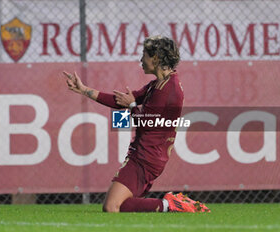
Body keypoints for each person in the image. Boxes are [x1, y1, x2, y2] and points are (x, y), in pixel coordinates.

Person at [63, 35, 210, 213]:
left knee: (111, 207)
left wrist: (132, 105)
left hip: (146, 157)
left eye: (144, 55)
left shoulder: (169, 90)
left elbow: (145, 124)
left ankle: (171, 204)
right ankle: (169, 204)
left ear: (156, 58)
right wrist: (83, 89)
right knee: (121, 205)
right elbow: (121, 101)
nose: (141, 59)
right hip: (145, 154)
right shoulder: (158, 84)